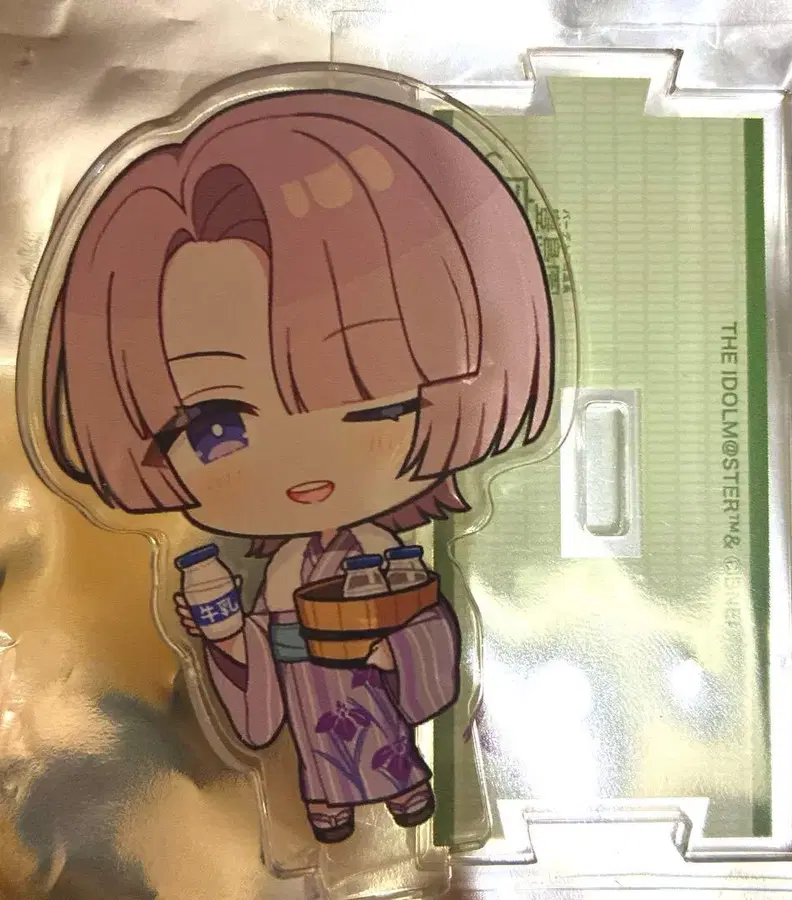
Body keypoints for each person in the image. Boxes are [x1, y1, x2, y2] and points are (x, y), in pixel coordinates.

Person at [41, 90, 554, 843]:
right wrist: (225, 636)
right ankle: (333, 807)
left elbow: (429, 638)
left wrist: (399, 649)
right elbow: (257, 695)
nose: (302, 458)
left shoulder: (380, 551)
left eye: (372, 401)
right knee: (321, 768)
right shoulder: (277, 571)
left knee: (387, 751)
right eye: (216, 426)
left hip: (372, 686)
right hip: (305, 701)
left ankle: (406, 789)